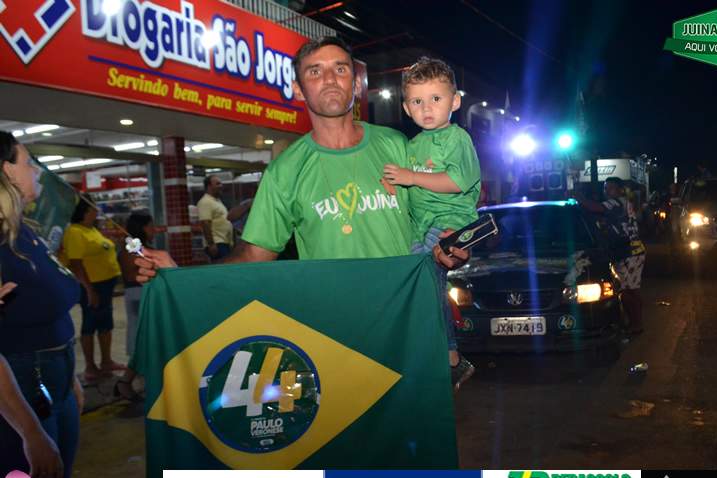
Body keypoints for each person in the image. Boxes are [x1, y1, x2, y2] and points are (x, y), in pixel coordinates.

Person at [135, 37, 467, 333]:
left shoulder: (397, 145)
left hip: (410, 320)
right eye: (315, 71)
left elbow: (442, 208)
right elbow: (253, 255)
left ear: (355, 84)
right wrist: (180, 276)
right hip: (337, 332)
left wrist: (453, 243)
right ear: (297, 89)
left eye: (340, 69)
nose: (330, 79)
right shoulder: (285, 171)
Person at [381, 56, 481, 390]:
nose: (426, 108)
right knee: (422, 287)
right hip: (421, 226)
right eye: (417, 101)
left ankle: (450, 356)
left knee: (424, 283)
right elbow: (404, 184)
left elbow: (457, 181)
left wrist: (410, 177)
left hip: (450, 222)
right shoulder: (411, 145)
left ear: (455, 101)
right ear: (406, 108)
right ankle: (441, 352)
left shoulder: (457, 138)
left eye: (436, 98)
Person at [0, 131, 83, 478]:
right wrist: (30, 431)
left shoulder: (25, 232)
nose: (37, 172)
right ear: (6, 171)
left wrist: (70, 377)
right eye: (29, 163)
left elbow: (51, 308)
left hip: (56, 382)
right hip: (20, 393)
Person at [574, 177, 646, 335]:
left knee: (626, 291)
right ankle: (636, 323)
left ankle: (636, 324)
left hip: (630, 253)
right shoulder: (621, 204)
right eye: (605, 188)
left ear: (620, 190)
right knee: (632, 290)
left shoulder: (618, 203)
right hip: (629, 252)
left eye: (610, 188)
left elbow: (594, 207)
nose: (606, 191)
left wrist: (577, 196)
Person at [62, 199, 124, 381]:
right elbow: (76, 264)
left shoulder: (91, 229)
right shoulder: (75, 232)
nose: (97, 210)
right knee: (90, 324)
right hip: (92, 286)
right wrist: (89, 290)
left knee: (105, 323)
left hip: (105, 285)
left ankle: (106, 361)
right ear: (84, 211)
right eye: (93, 208)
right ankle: (90, 366)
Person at [114, 211, 155, 401]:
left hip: (142, 295)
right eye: (151, 226)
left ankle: (129, 382)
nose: (154, 230)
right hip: (138, 296)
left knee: (146, 341)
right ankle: (126, 382)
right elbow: (131, 275)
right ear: (142, 228)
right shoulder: (131, 249)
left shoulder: (138, 248)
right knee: (143, 340)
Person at [197, 175, 250, 262]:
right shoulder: (205, 202)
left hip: (224, 242)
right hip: (217, 243)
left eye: (221, 183)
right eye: (217, 184)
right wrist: (211, 245)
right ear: (209, 186)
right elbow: (205, 223)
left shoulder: (217, 201)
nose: (221, 186)